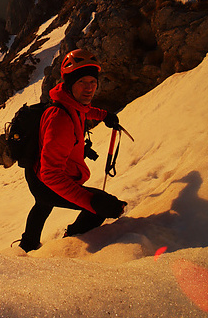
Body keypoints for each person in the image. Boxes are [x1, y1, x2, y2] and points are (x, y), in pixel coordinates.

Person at [17, 48, 126, 252]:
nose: (89, 88)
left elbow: (85, 109)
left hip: (35, 172)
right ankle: (71, 243)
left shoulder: (70, 103)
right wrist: (91, 202)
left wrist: (104, 115)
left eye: (92, 82)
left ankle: (26, 246)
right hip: (46, 180)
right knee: (99, 207)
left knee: (41, 206)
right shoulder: (61, 120)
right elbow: (50, 175)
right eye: (82, 82)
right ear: (69, 84)